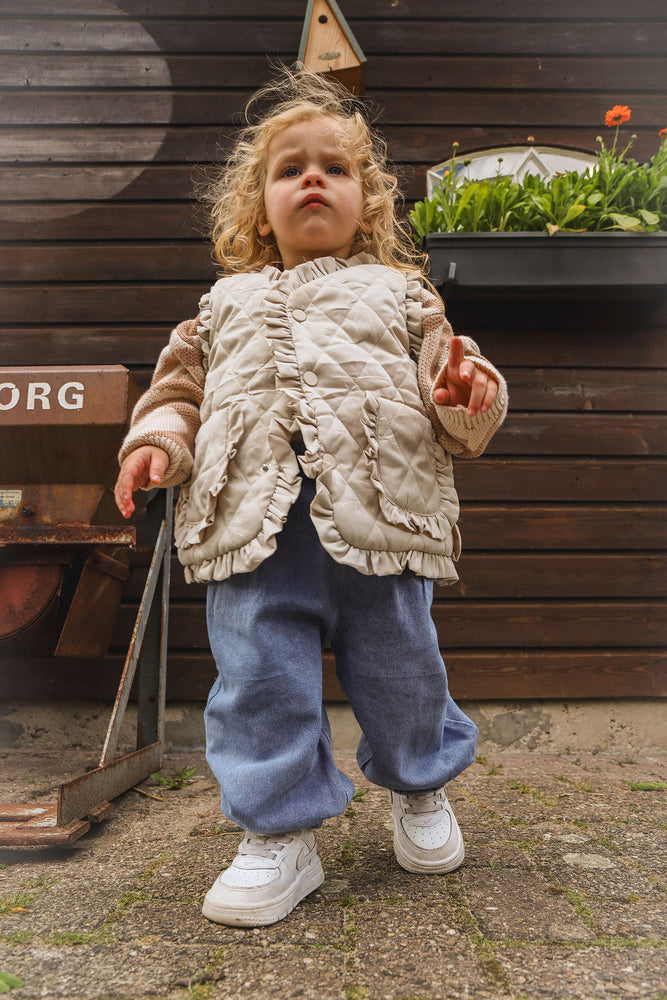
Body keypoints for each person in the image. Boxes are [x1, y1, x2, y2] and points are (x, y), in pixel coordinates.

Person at [114, 67, 508, 928]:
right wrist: (155, 443)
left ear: (367, 202)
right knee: (257, 683)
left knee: (405, 677)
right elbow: (178, 395)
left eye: (334, 167)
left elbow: (455, 385)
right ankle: (280, 836)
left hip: (382, 525)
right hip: (251, 530)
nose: (313, 179)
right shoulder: (218, 308)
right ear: (259, 206)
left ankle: (420, 789)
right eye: (290, 168)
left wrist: (466, 394)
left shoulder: (404, 295)